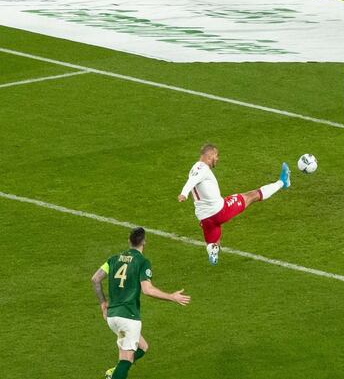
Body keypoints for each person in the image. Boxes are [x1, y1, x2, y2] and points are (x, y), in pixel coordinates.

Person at [91, 227, 191, 379]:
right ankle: (117, 374)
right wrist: (172, 296)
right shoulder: (142, 262)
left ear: (129, 241)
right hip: (128, 318)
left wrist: (103, 303)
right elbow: (147, 289)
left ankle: (115, 372)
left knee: (143, 347)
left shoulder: (113, 259)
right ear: (144, 242)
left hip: (112, 317)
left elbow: (95, 279)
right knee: (125, 359)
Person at [178, 143, 290, 265]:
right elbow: (192, 181)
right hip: (220, 210)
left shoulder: (195, 168)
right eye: (216, 155)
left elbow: (193, 180)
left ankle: (212, 251)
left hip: (205, 218)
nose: (217, 159)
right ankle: (283, 182)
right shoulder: (202, 168)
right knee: (250, 196)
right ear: (210, 155)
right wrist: (184, 193)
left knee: (214, 242)